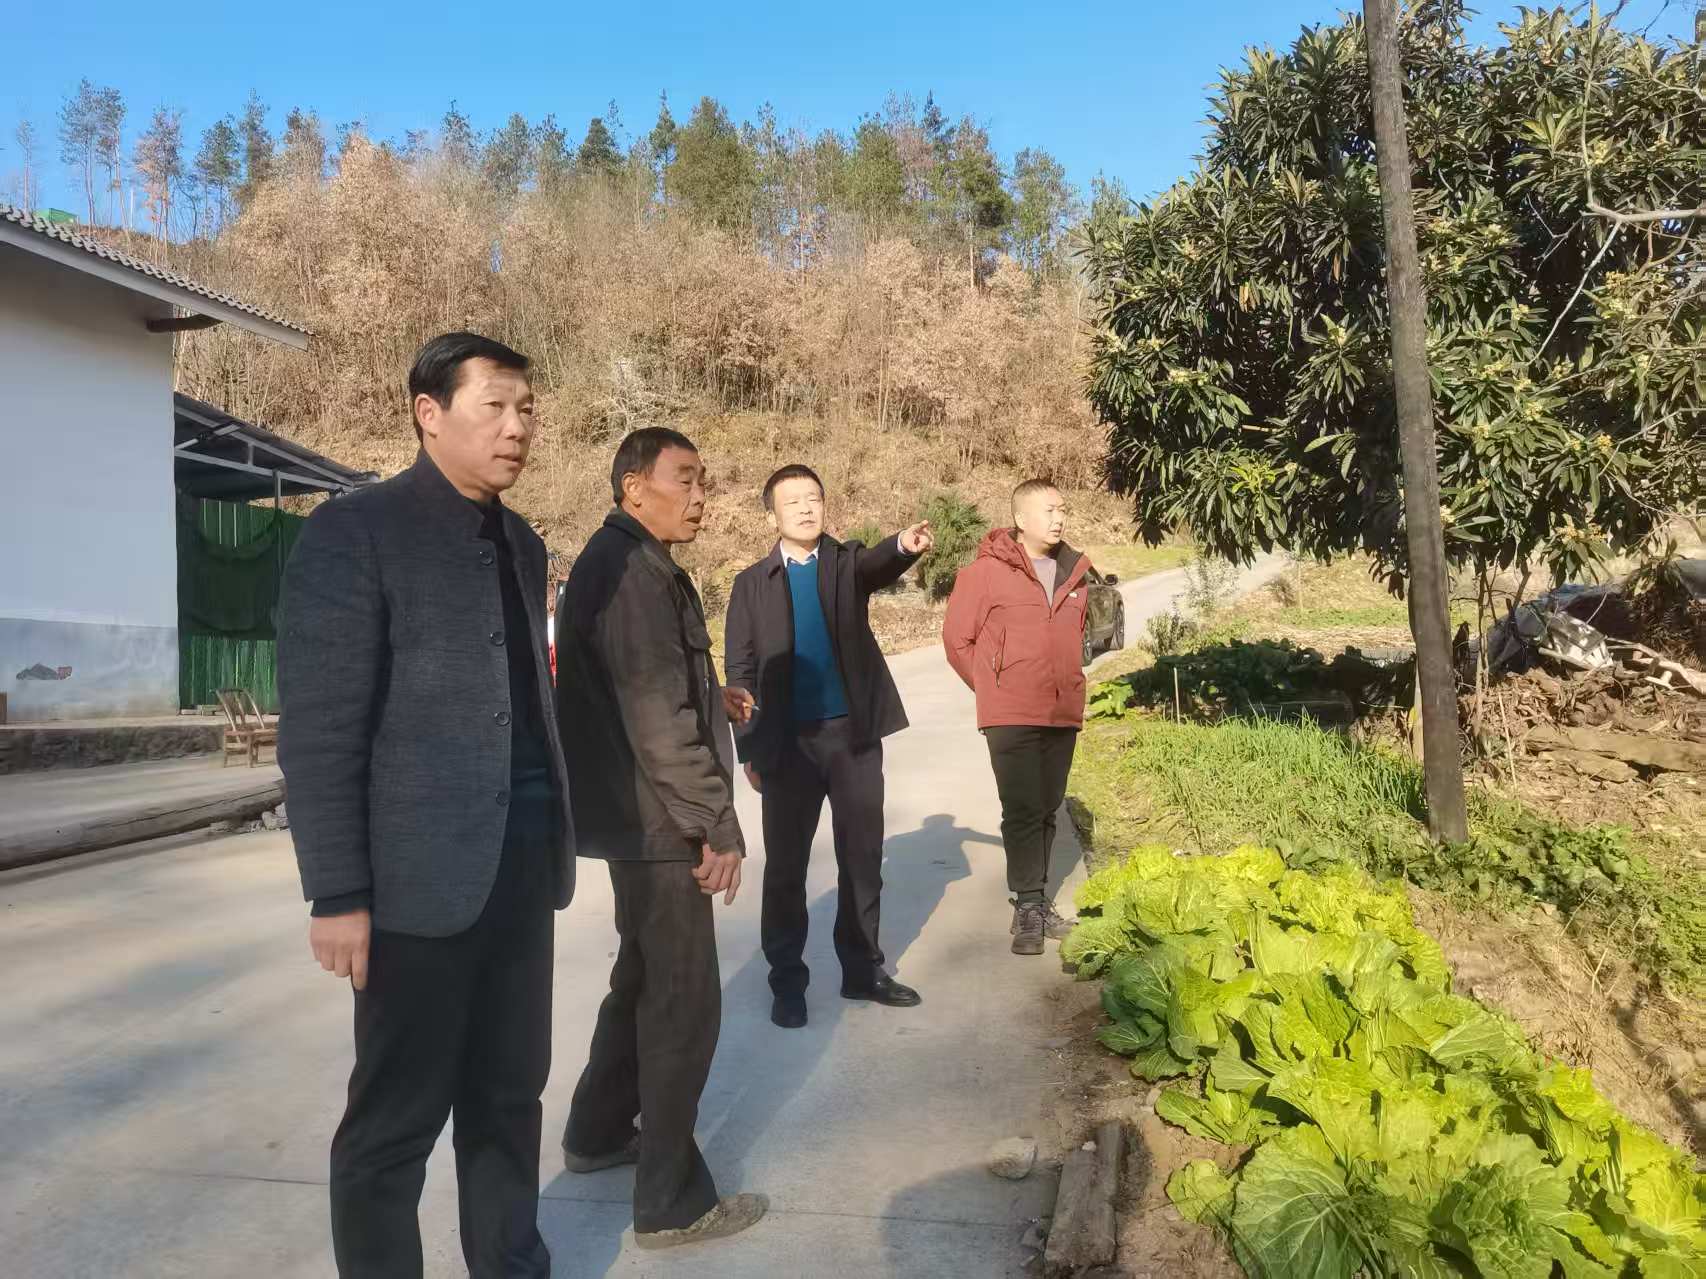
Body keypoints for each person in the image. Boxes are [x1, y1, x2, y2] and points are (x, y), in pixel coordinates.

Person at [278, 332, 574, 1278]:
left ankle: (511, 1263)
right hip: (414, 889)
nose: (517, 427)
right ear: (429, 413)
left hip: (521, 870)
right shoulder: (354, 531)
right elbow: (322, 728)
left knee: (509, 1098)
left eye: (527, 409)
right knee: (394, 1125)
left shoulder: (522, 542)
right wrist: (337, 892)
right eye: (496, 406)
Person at [553, 427, 767, 1250]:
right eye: (686, 478)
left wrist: (715, 695)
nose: (701, 496)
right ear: (634, 487)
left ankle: (598, 1129)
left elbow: (653, 689)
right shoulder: (636, 574)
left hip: (637, 815)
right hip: (660, 820)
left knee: (641, 978)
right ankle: (672, 1203)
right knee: (683, 1002)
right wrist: (715, 823)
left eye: (704, 479)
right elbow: (657, 721)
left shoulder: (628, 563)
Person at [723, 465, 935, 1029]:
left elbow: (877, 563)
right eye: (792, 500)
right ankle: (786, 982)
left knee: (862, 859)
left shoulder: (843, 564)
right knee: (785, 869)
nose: (805, 508)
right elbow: (739, 671)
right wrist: (749, 749)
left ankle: (863, 970)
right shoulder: (751, 584)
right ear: (772, 513)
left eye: (813, 498)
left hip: (853, 739)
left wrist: (902, 545)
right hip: (787, 746)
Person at [943, 479, 1090, 957]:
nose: (1059, 518)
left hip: (1061, 709)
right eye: (1049, 510)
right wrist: (994, 687)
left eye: (1062, 509)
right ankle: (1029, 904)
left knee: (1047, 806)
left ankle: (1036, 900)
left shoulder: (1075, 573)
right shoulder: (984, 573)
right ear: (1021, 519)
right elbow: (957, 640)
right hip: (1010, 711)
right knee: (1023, 807)